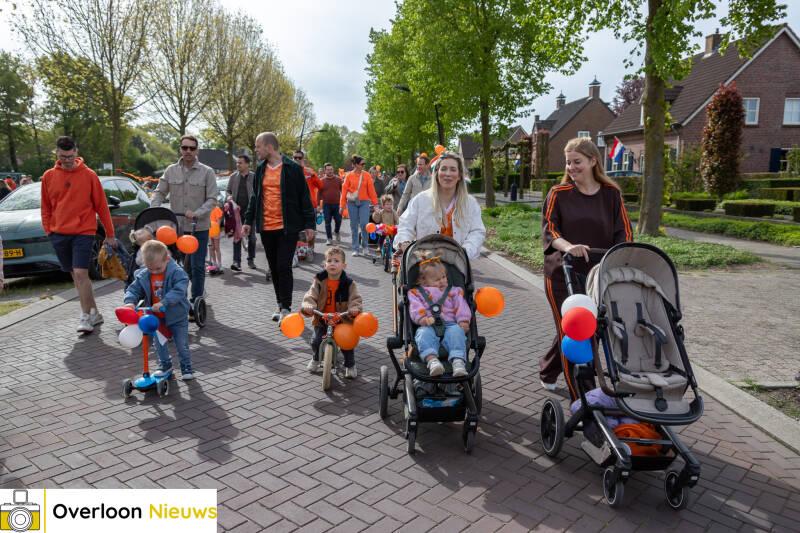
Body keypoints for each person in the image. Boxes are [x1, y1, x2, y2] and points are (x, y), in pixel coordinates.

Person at [540, 137, 633, 399]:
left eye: (577, 162)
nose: (571, 167)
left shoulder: (611, 195)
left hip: (598, 276)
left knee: (580, 328)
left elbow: (624, 233)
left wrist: (621, 256)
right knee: (576, 333)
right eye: (568, 162)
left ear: (594, 161)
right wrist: (568, 246)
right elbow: (550, 231)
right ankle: (585, 402)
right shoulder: (558, 194)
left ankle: (547, 368)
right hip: (562, 273)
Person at [41, 136, 116, 333]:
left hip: (84, 231)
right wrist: (49, 230)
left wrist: (110, 233)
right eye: (63, 156)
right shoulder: (48, 176)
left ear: (76, 152)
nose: (67, 159)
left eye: (70, 155)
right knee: (76, 275)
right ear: (56, 152)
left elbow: (101, 206)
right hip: (58, 233)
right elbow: (46, 206)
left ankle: (84, 317)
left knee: (82, 273)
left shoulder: (89, 175)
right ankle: (95, 313)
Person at [242, 132, 315, 324]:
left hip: (287, 227)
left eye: (258, 146)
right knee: (274, 268)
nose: (255, 150)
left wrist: (309, 224)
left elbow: (304, 197)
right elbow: (255, 198)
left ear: (269, 147)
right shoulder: (260, 169)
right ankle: (279, 303)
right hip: (266, 227)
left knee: (284, 266)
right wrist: (248, 221)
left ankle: (286, 307)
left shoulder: (293, 168)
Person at [151, 134, 217, 316]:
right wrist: (154, 209)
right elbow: (159, 192)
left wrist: (198, 212)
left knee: (196, 267)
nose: (188, 151)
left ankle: (196, 300)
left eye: (192, 148)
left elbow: (213, 199)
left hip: (199, 228)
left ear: (197, 150)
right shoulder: (171, 171)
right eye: (184, 148)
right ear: (180, 149)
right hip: (176, 228)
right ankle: (178, 299)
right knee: (177, 268)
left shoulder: (207, 172)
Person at [123, 240, 194, 380]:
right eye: (150, 268)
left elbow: (179, 291)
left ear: (167, 259)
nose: (154, 271)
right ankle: (165, 364)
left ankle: (186, 366)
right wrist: (130, 302)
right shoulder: (143, 274)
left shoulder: (177, 273)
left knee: (182, 344)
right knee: (159, 344)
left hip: (177, 316)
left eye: (158, 268)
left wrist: (164, 302)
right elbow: (133, 289)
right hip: (156, 317)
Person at [396, 151, 485, 260]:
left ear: (459, 176)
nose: (448, 173)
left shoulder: (470, 204)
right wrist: (405, 243)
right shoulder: (420, 200)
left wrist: (466, 251)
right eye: (443, 169)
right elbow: (405, 225)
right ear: (436, 174)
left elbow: (477, 231)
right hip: (425, 266)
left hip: (457, 265)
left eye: (453, 169)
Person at [301, 246, 362, 378]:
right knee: (316, 340)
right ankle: (316, 358)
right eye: (329, 261)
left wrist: (354, 308)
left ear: (344, 265)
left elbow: (355, 299)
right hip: (322, 318)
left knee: (347, 341)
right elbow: (311, 295)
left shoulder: (349, 284)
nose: (332, 264)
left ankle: (350, 365)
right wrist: (308, 304)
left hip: (342, 319)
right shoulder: (319, 280)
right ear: (324, 264)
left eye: (336, 261)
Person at [408, 252, 471, 377]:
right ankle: (432, 361)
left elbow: (461, 305)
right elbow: (415, 306)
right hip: (428, 324)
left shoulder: (454, 291)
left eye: (444, 277)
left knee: (456, 333)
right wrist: (421, 318)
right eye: (437, 279)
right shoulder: (416, 292)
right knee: (422, 334)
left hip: (451, 323)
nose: (442, 281)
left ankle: (458, 361)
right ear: (423, 282)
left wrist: (463, 320)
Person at [339, 155, 378, 257]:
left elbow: (371, 190)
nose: (364, 166)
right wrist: (342, 206)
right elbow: (344, 192)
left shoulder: (366, 175)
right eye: (362, 164)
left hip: (364, 202)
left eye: (364, 164)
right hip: (352, 202)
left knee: (365, 225)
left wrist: (375, 204)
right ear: (356, 165)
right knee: (353, 226)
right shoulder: (348, 176)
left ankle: (365, 246)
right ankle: (355, 248)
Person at [225, 154, 257, 270]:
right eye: (237, 163)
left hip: (251, 213)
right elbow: (228, 190)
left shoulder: (255, 177)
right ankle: (236, 262)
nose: (237, 164)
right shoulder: (233, 176)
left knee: (252, 238)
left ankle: (251, 259)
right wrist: (228, 197)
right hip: (236, 213)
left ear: (247, 164)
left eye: (240, 163)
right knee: (237, 237)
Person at [319, 162, 343, 245]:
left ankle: (336, 231)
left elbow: (342, 191)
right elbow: (318, 193)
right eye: (328, 170)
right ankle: (329, 238)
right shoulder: (322, 181)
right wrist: (318, 205)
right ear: (325, 171)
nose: (330, 171)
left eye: (331, 169)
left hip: (337, 204)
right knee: (327, 222)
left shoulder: (338, 180)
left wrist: (343, 203)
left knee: (338, 220)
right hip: (326, 205)